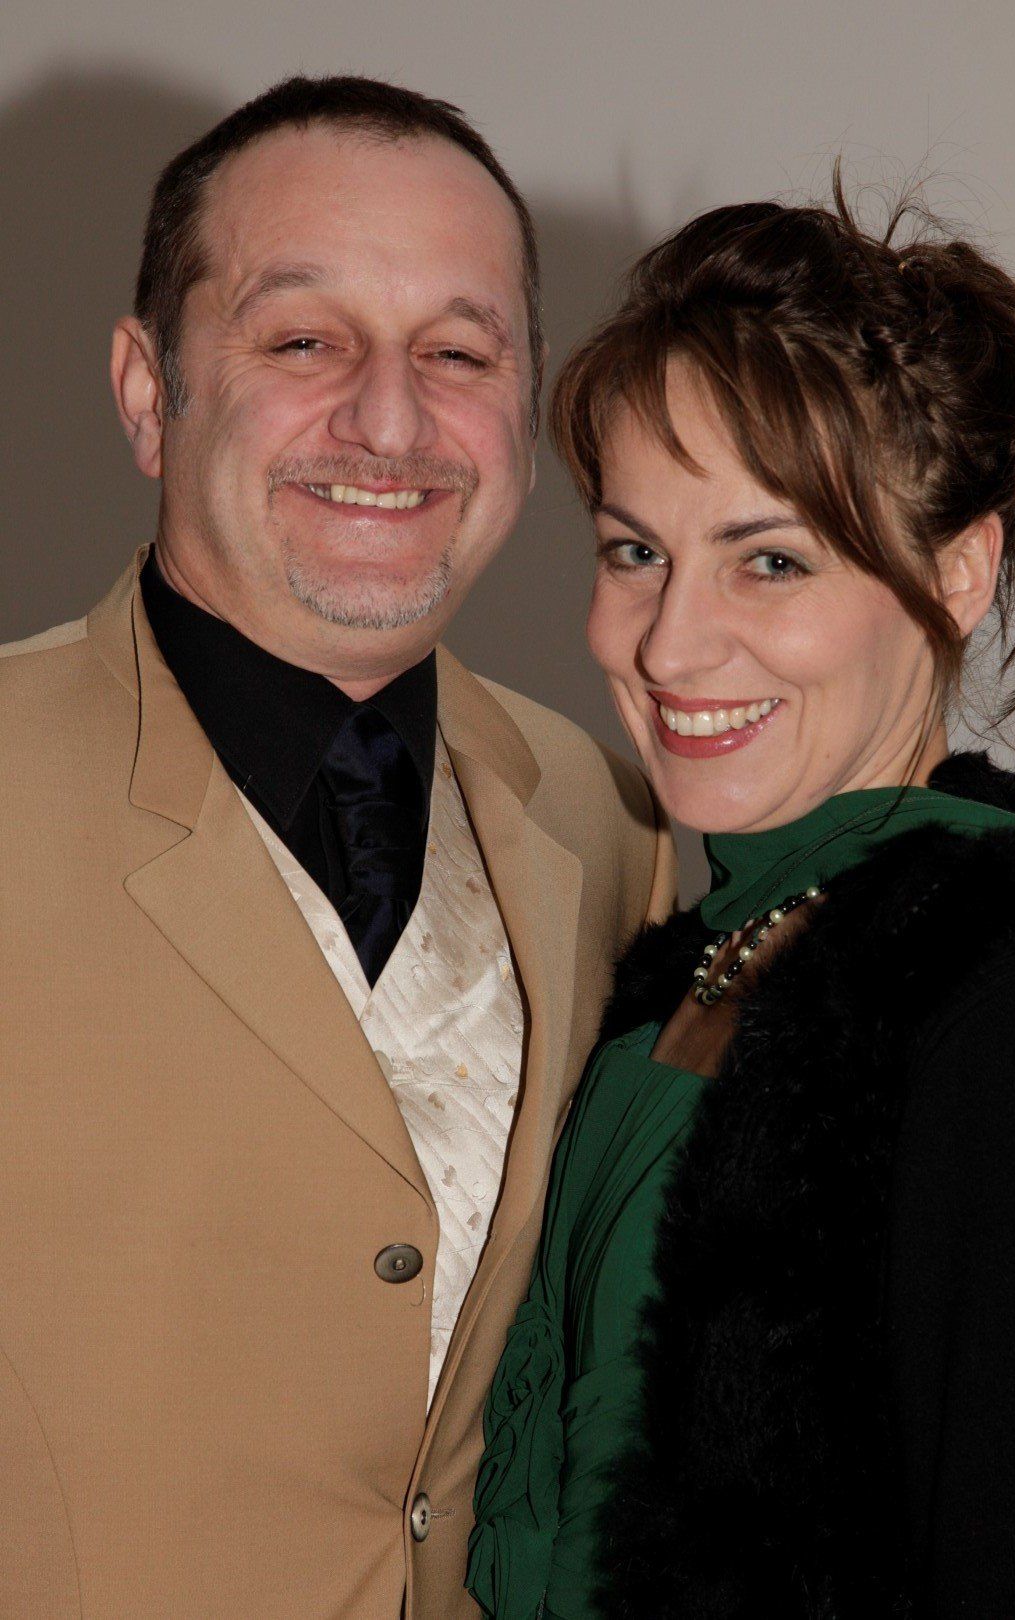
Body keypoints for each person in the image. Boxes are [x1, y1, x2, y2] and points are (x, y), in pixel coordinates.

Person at [0, 76, 675, 1619]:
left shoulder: (606, 815)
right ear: (149, 390)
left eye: (459, 353)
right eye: (304, 341)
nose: (389, 419)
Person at [468, 186, 1015, 1618]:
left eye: (772, 560)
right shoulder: (699, 953)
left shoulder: (994, 997)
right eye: (637, 552)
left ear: (956, 571)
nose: (670, 646)